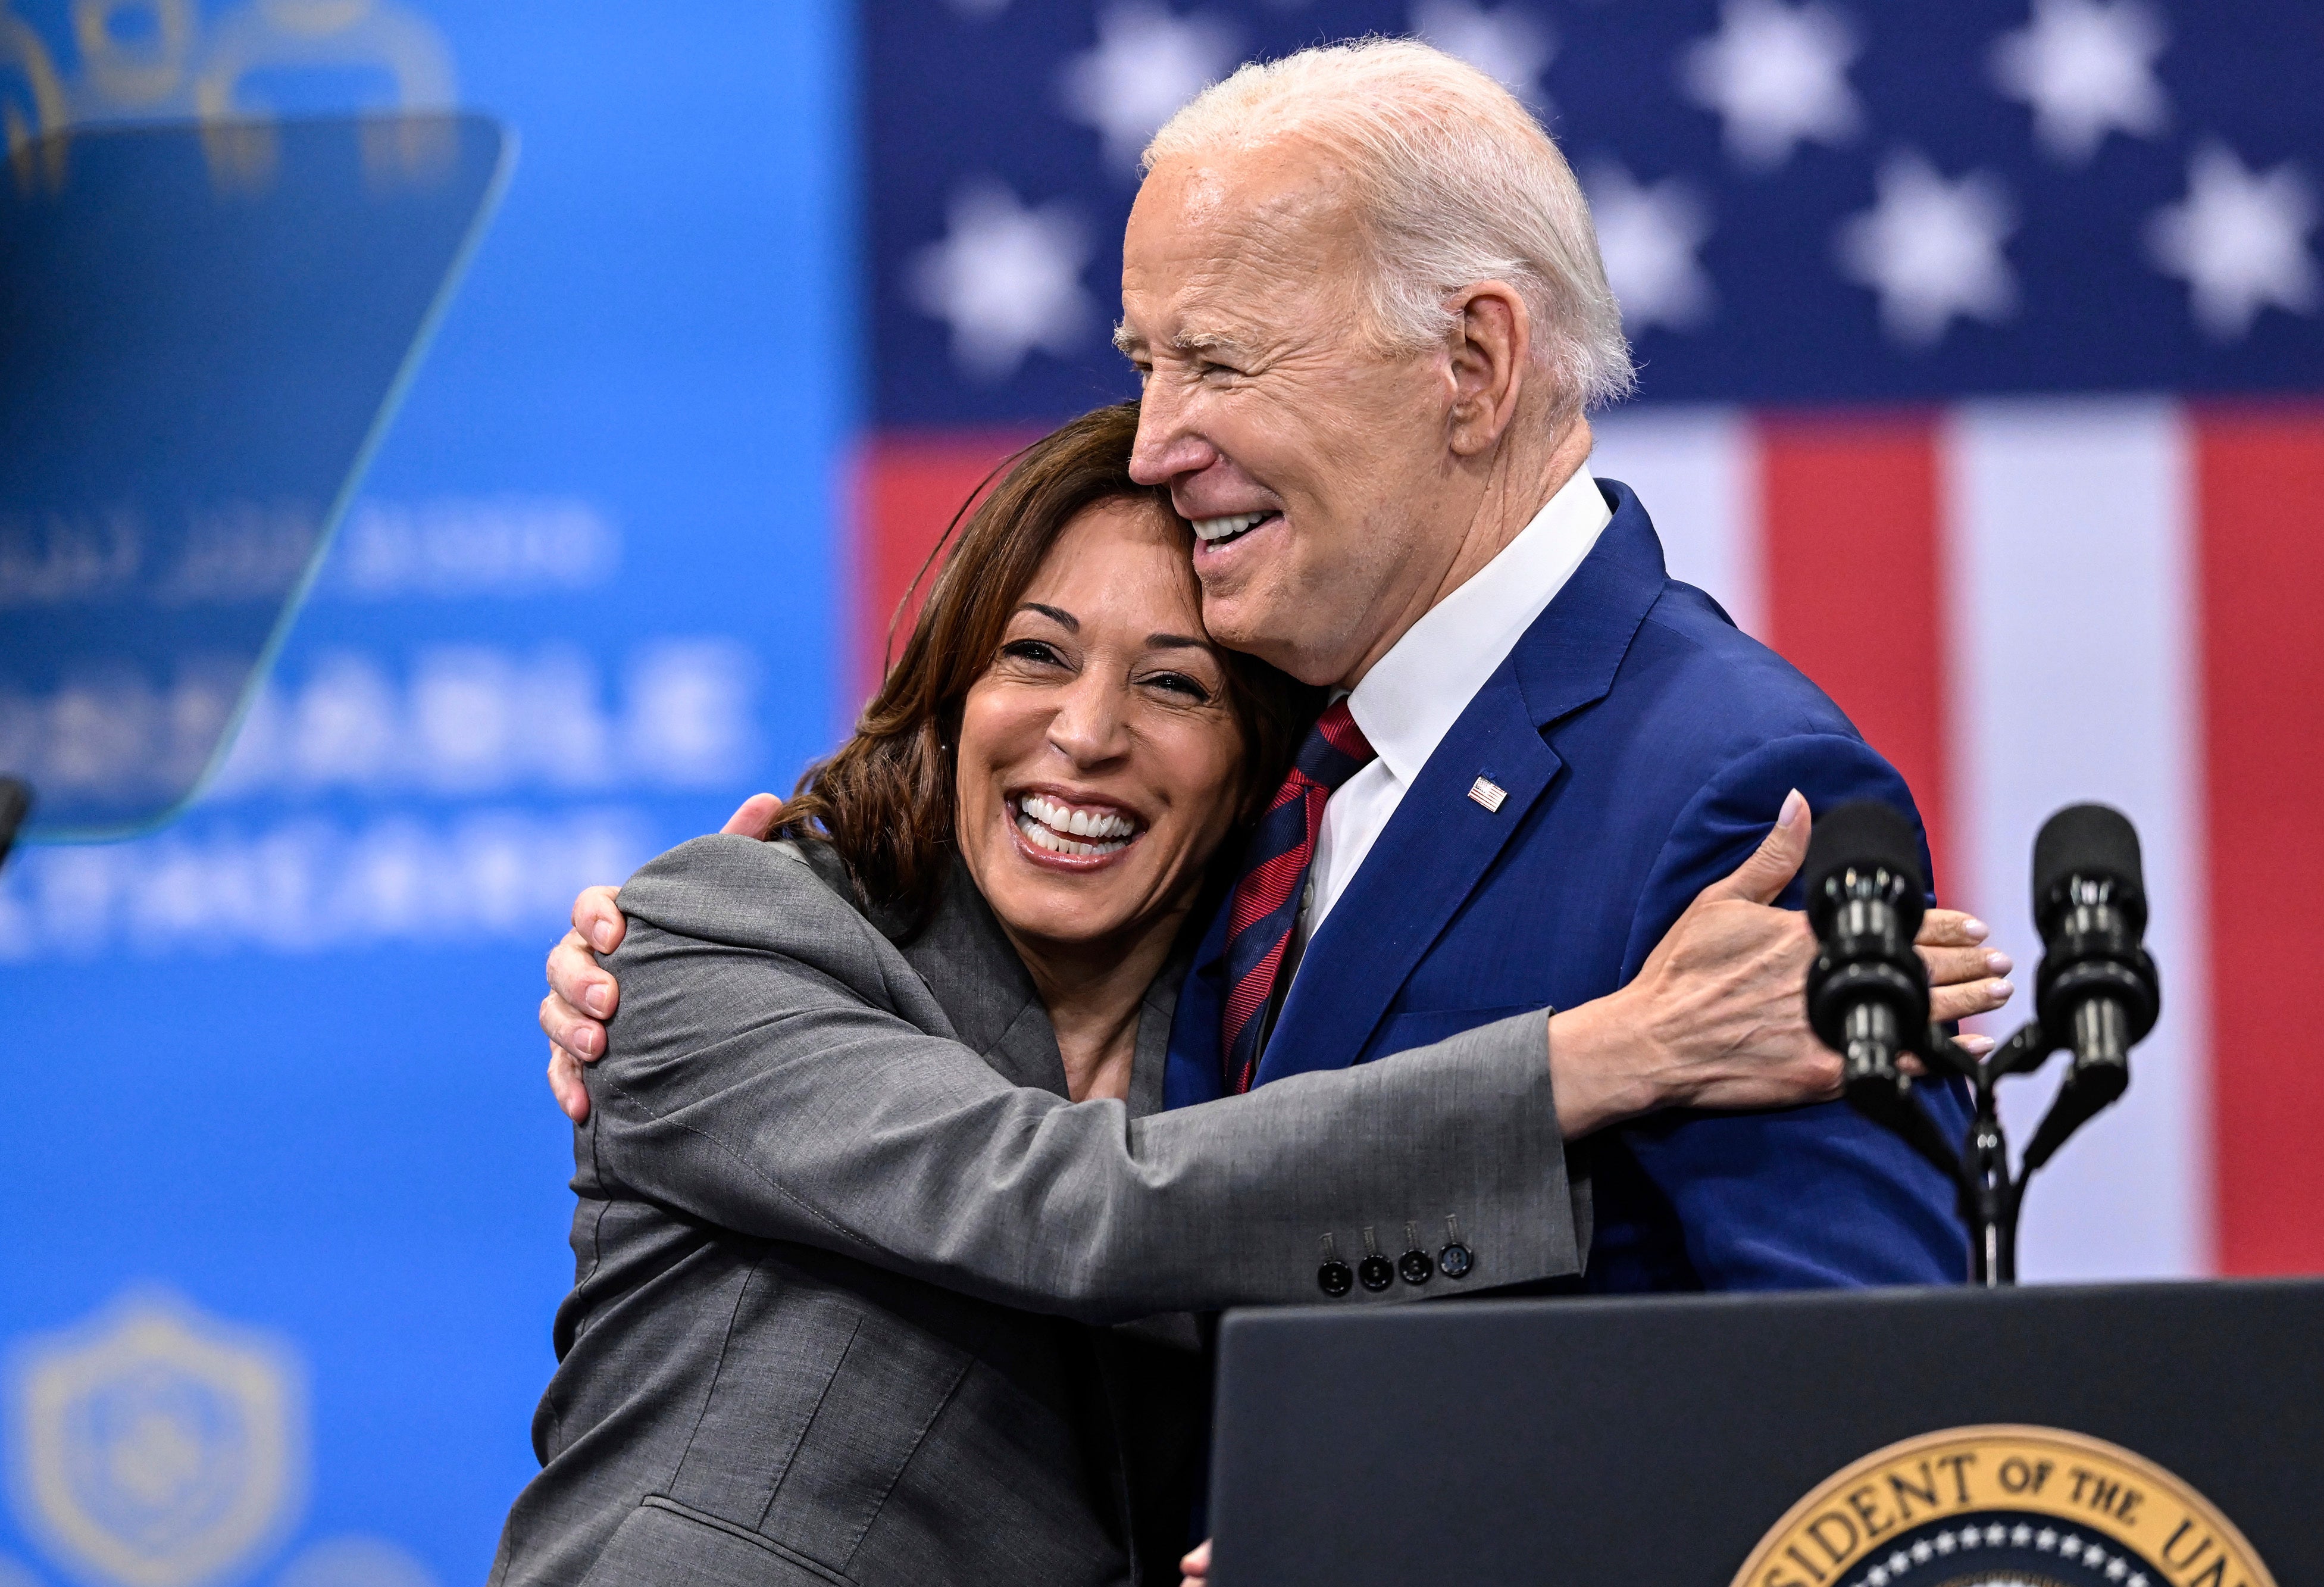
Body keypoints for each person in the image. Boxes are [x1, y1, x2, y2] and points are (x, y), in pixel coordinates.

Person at [494, 405, 1981, 1587]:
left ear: (1254, 772)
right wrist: (1620, 1052)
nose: (1082, 736)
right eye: (1032, 656)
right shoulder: (716, 933)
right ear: (947, 691)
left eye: (1175, 687)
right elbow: (1072, 1208)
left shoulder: (1233, 1045)